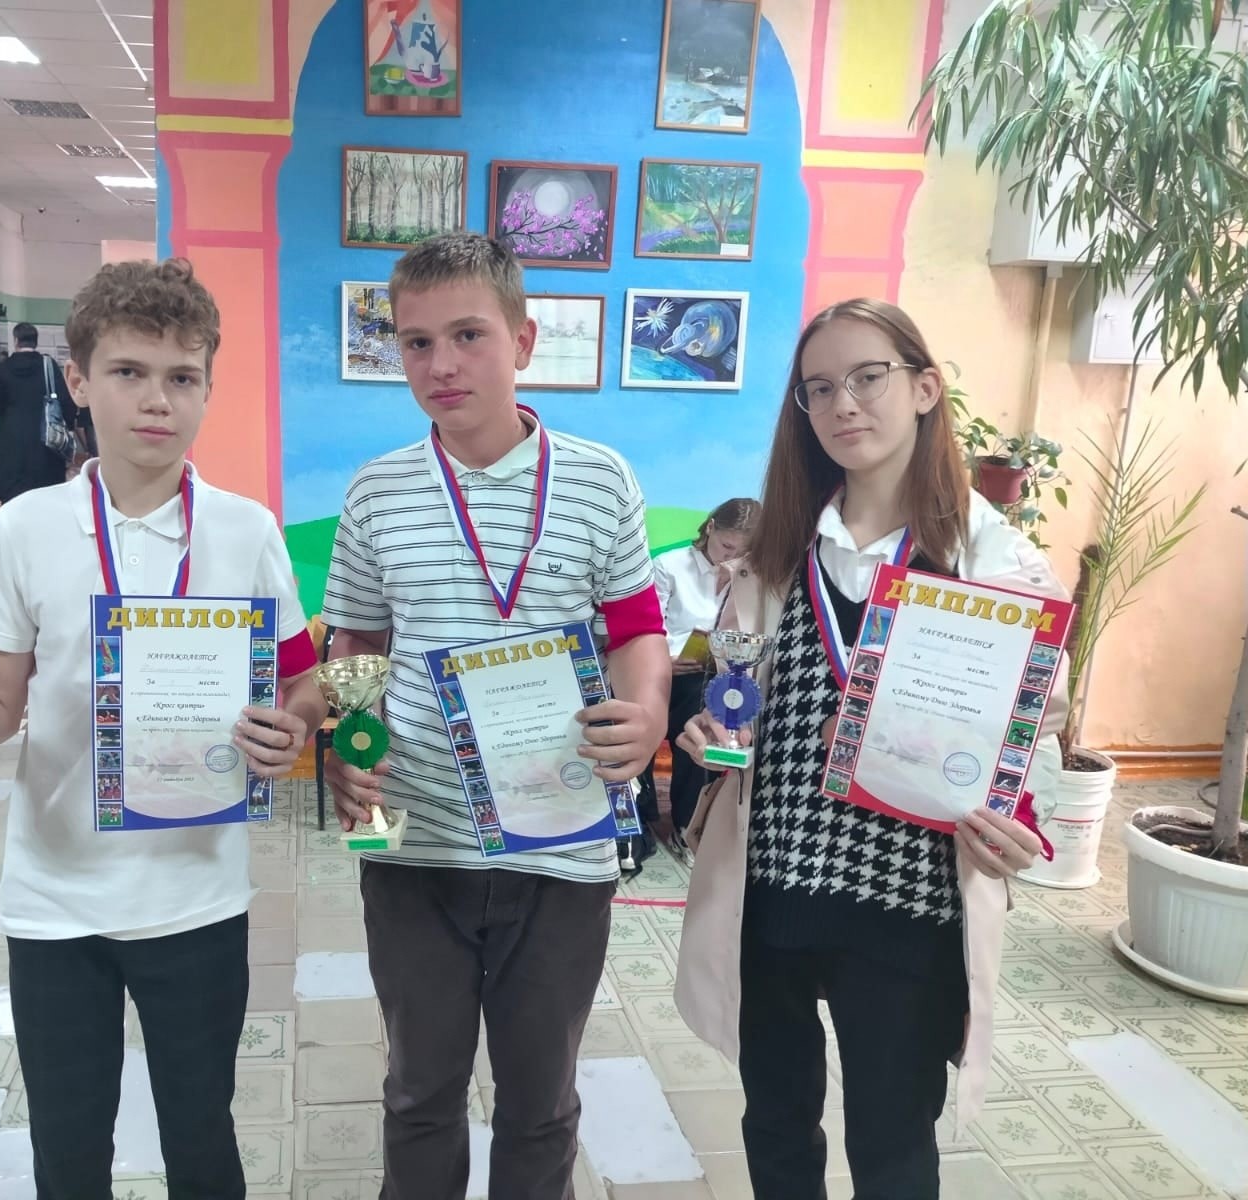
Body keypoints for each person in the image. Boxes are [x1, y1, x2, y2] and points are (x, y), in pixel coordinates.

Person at [0, 258, 325, 1199]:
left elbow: (302, 684)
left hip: (196, 895)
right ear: (79, 380)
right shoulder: (27, 527)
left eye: (182, 377)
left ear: (208, 388)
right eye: (129, 371)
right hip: (55, 901)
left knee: (203, 1141)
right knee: (67, 1149)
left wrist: (291, 728)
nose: (157, 400)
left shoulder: (246, 530)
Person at [672, 298, 1068, 1200]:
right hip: (772, 892)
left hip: (906, 906)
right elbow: (738, 701)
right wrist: (712, 736)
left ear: (925, 388)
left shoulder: (995, 565)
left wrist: (1015, 818)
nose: (842, 403)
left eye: (867, 377)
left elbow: (1034, 729)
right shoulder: (774, 557)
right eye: (819, 388)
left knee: (892, 1150)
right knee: (776, 1128)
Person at [321, 233, 670, 1200]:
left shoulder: (600, 478)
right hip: (415, 843)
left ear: (522, 339)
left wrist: (646, 713)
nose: (441, 364)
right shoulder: (378, 490)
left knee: (540, 1102)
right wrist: (350, 744)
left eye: (467, 335)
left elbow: (638, 629)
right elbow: (356, 643)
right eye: (416, 342)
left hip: (560, 843)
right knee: (418, 1094)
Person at [637, 496, 760, 864]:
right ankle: (643, 817)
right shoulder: (670, 565)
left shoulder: (749, 577)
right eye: (726, 546)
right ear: (710, 528)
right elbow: (648, 626)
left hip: (713, 676)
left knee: (713, 709)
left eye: (741, 552)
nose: (730, 557)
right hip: (662, 670)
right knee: (673, 701)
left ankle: (687, 823)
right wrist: (665, 660)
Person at [0, 322, 76, 504]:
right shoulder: (48, 365)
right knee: (47, 491)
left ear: (16, 341)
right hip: (45, 439)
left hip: (13, 437)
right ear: (35, 341)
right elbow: (65, 399)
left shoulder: (4, 367)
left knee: (14, 490)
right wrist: (68, 426)